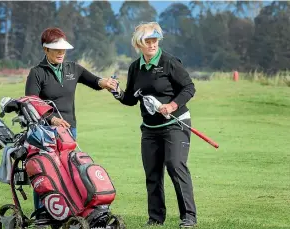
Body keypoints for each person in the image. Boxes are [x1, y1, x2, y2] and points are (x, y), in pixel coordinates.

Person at [112, 22, 197, 228]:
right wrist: (117, 92)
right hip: (150, 129)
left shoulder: (169, 62)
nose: (152, 44)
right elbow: (132, 99)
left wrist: (173, 104)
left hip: (176, 124)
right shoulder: (135, 67)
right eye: (147, 41)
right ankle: (156, 218)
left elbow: (189, 87)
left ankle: (189, 217)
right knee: (152, 172)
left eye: (155, 40)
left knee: (175, 166)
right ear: (138, 44)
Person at [25, 27, 118, 216]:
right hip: (44, 133)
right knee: (45, 172)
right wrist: (51, 119)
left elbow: (94, 81)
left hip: (69, 133)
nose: (61, 53)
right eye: (56, 49)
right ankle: (43, 213)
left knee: (67, 172)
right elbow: (31, 101)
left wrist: (105, 83)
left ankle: (67, 211)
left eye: (63, 49)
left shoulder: (73, 68)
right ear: (45, 50)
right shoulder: (37, 73)